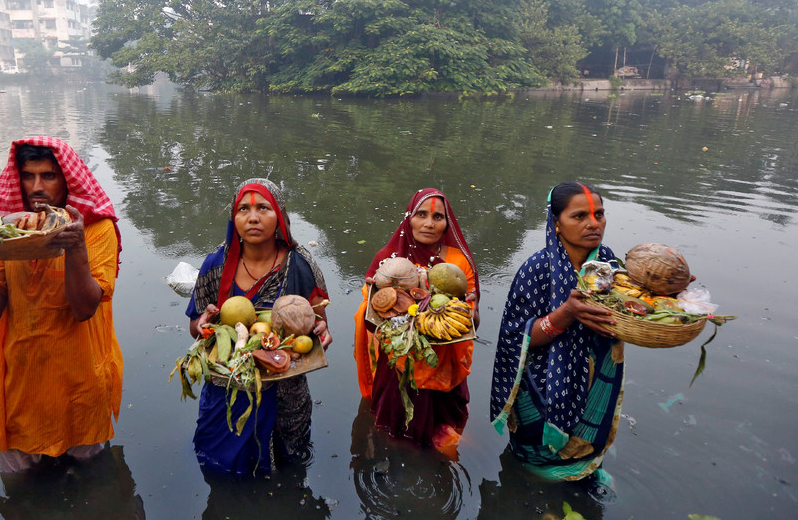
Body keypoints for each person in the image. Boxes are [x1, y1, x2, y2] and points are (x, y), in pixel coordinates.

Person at [0, 136, 124, 473]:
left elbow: (84, 309)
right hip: (21, 387)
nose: (37, 186)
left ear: (66, 180)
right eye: (28, 175)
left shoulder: (96, 230)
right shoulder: (4, 232)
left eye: (48, 176)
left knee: (93, 486)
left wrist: (76, 247)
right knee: (21, 491)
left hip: (80, 386)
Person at [187, 178, 331, 475]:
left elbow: (319, 323)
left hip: (285, 391)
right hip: (227, 385)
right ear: (233, 217)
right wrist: (204, 324)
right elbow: (195, 325)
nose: (252, 217)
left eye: (263, 208)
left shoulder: (301, 263)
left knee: (289, 468)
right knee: (221, 469)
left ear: (279, 215)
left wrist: (320, 334)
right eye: (243, 209)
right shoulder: (215, 264)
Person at [490, 181, 623, 483]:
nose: (593, 224)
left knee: (587, 438)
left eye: (599, 214)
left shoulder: (607, 263)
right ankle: (529, 481)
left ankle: (585, 471)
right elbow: (516, 338)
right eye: (579, 216)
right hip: (543, 382)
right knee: (537, 463)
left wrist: (664, 289)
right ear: (556, 223)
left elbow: (625, 305)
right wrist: (566, 314)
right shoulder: (537, 269)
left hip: (595, 374)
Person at [353, 188, 480, 454]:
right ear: (409, 218)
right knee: (394, 432)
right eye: (421, 214)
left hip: (443, 362)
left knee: (442, 431)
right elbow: (370, 316)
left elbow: (472, 322)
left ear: (448, 223)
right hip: (398, 364)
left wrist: (471, 310)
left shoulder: (458, 263)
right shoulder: (387, 260)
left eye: (438, 216)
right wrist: (377, 296)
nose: (429, 223)